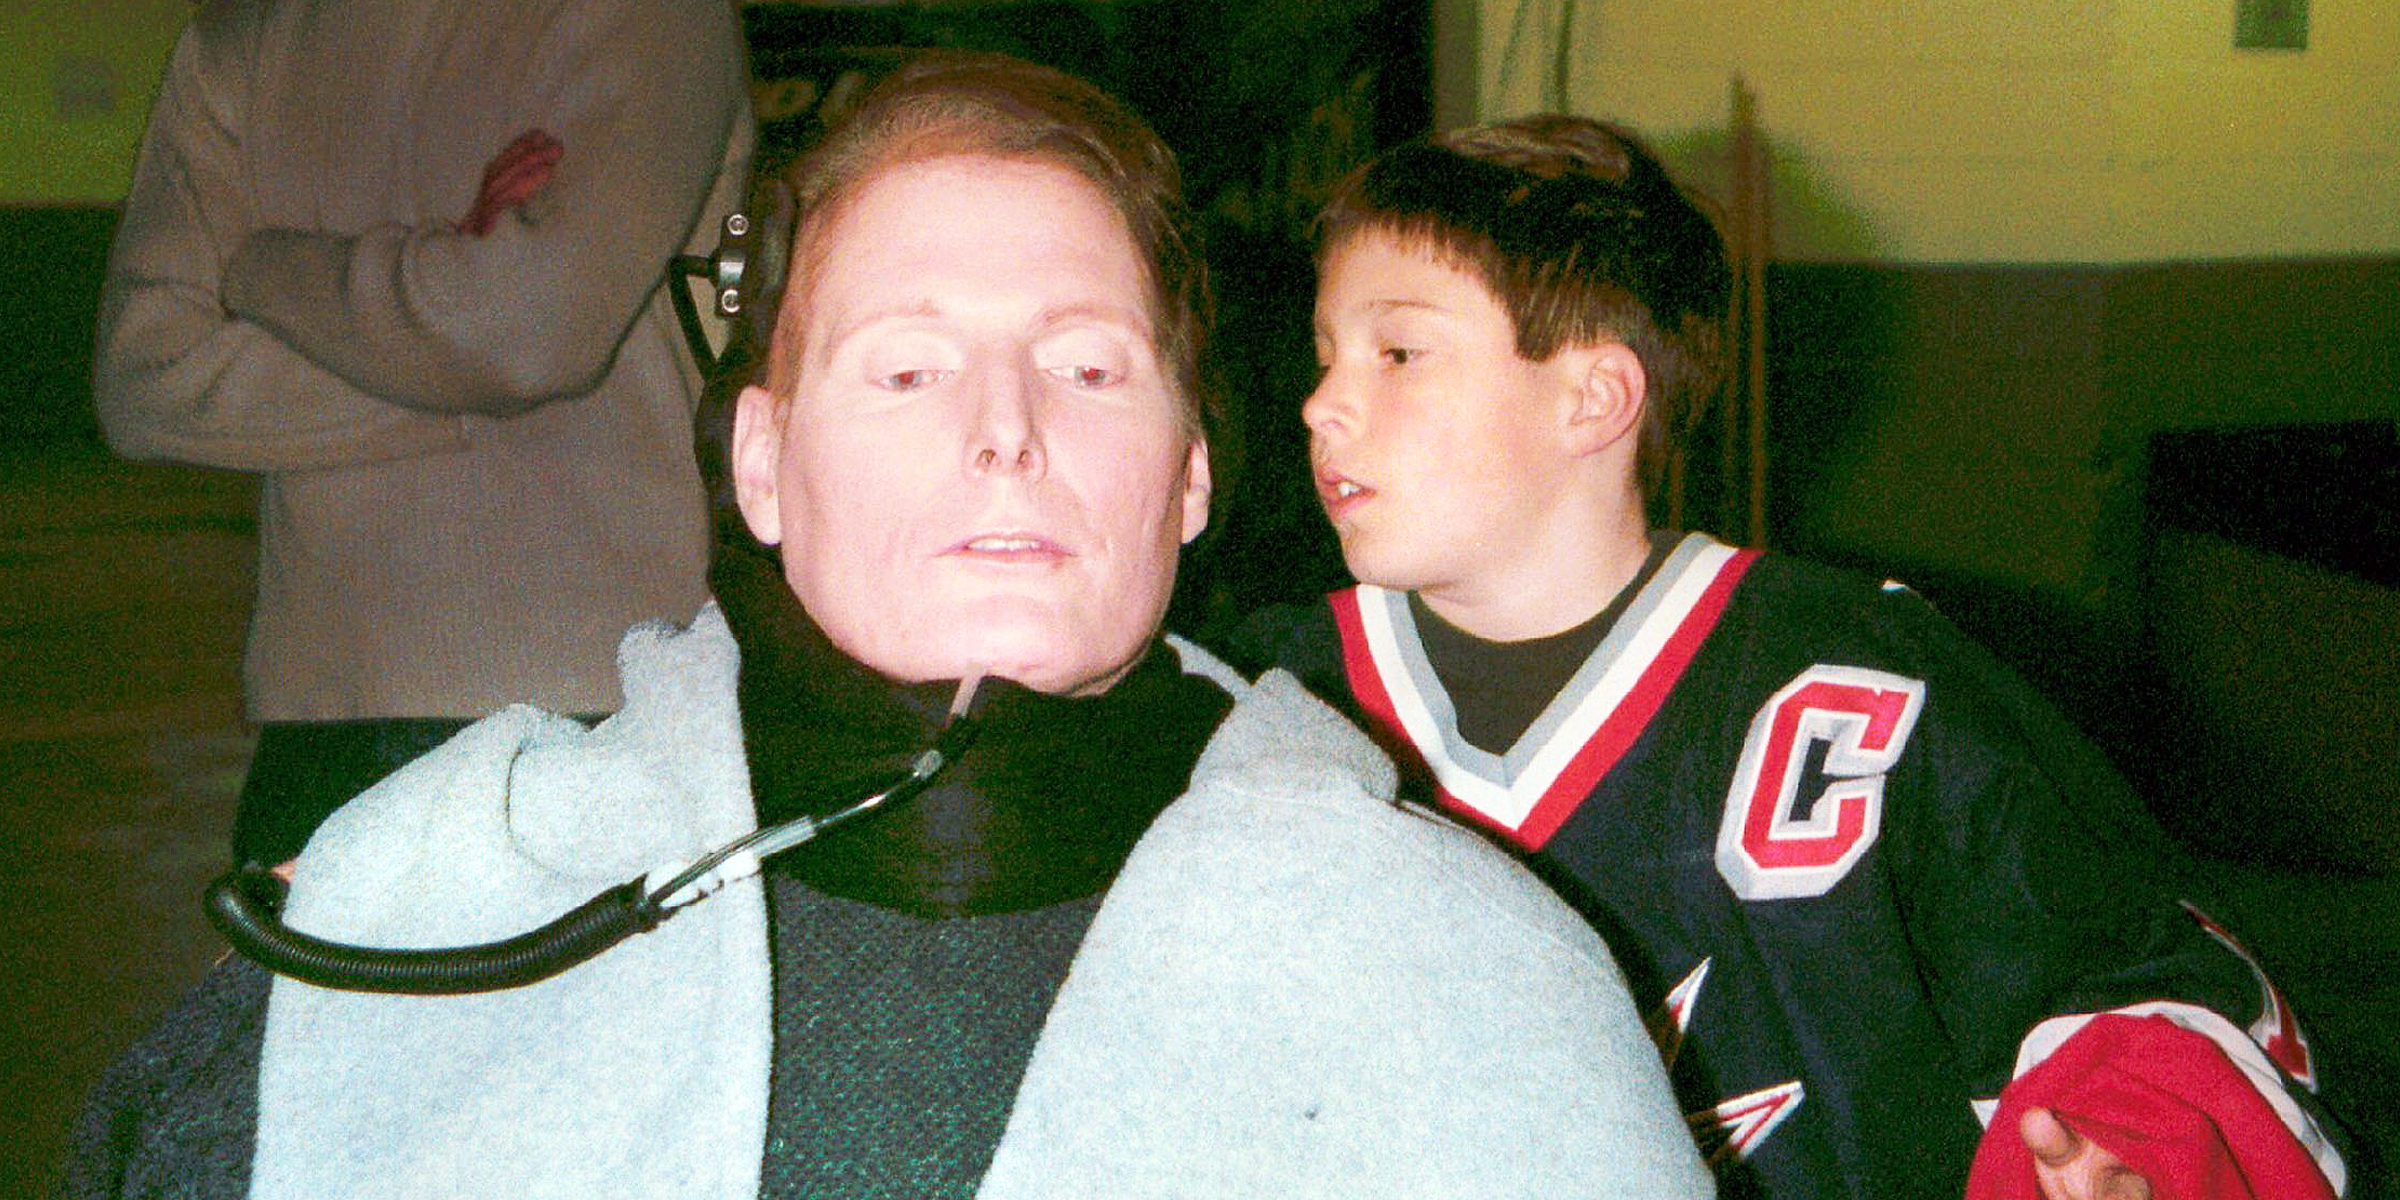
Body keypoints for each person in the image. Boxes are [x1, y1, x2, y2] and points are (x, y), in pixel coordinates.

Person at [60, 55, 1712, 1199]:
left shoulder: (1484, 982)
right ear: (766, 463)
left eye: (1085, 365)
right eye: (907, 366)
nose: (1006, 430)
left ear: (1194, 474)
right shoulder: (418, 900)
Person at [1259, 113, 2357, 1199]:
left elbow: (2147, 983)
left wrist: (2144, 1148)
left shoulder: (1872, 685)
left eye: (1398, 352)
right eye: (1325, 356)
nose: (1323, 405)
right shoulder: (1264, 700)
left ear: (1594, 398)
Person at [92, 0, 754, 864]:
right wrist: (448, 312)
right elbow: (144, 382)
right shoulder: (244, 40)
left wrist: (262, 269)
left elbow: (521, 337)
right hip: (370, 724)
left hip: (601, 704)